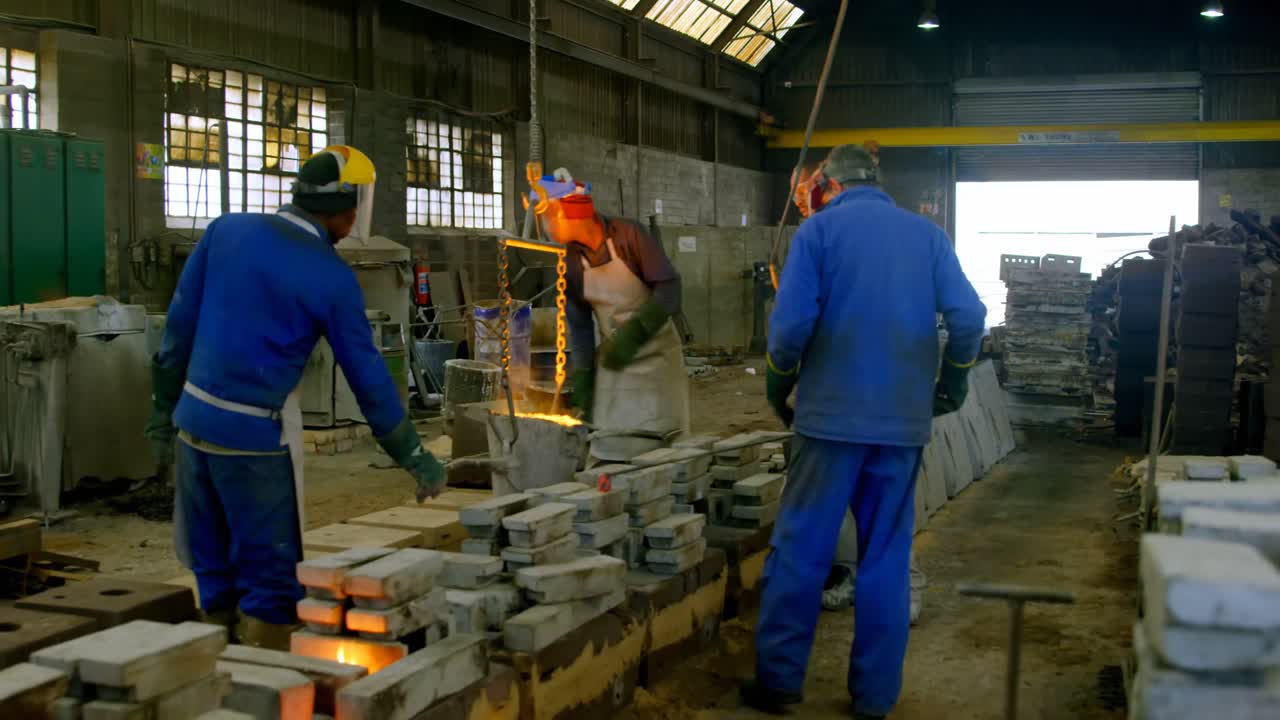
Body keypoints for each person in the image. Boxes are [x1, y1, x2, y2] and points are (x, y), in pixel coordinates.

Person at [144, 146, 446, 650]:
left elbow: (177, 330)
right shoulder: (330, 277)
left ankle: (211, 673)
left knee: (212, 565)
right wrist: (414, 455)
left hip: (192, 425)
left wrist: (161, 413)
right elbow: (369, 378)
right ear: (348, 209)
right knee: (270, 583)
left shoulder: (225, 230)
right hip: (252, 439)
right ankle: (267, 681)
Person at [745, 145, 986, 718]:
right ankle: (874, 699)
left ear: (826, 185)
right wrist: (953, 382)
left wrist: (779, 385)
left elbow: (791, 328)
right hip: (902, 425)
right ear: (878, 182)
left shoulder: (818, 235)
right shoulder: (926, 237)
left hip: (828, 423)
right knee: (885, 557)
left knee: (802, 549)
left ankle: (779, 683)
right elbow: (969, 317)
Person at [531, 169, 688, 461]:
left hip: (657, 360)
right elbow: (578, 324)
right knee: (609, 446)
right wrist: (584, 375)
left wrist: (635, 334)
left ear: (572, 212)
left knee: (659, 452)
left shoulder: (630, 237)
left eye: (550, 216)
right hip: (614, 362)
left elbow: (669, 289)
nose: (547, 226)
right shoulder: (571, 262)